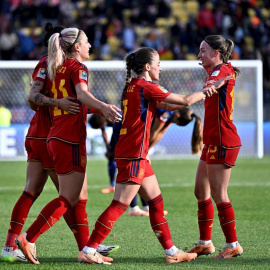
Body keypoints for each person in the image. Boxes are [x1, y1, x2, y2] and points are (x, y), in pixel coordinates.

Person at [77, 47, 232, 265]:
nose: (161, 66)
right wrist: (212, 87)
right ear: (147, 67)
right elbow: (186, 101)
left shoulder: (134, 86)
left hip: (135, 153)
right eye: (158, 63)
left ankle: (172, 252)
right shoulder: (145, 86)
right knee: (120, 204)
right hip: (134, 154)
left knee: (156, 202)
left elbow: (169, 104)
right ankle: (89, 249)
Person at [1, 23, 119, 263]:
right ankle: (84, 247)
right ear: (72, 45)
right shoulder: (57, 65)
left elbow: (64, 100)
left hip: (42, 133)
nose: (90, 45)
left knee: (33, 191)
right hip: (51, 134)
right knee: (72, 196)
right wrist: (65, 104)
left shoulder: (51, 65)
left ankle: (9, 246)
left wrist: (86, 110)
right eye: (85, 41)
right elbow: (35, 98)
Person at [187, 35, 243, 259]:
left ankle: (233, 244)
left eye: (203, 50)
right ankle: (205, 243)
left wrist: (183, 100)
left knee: (219, 194)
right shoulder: (214, 72)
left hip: (223, 140)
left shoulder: (222, 71)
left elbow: (222, 80)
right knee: (201, 191)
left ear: (216, 53)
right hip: (211, 140)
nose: (199, 55)